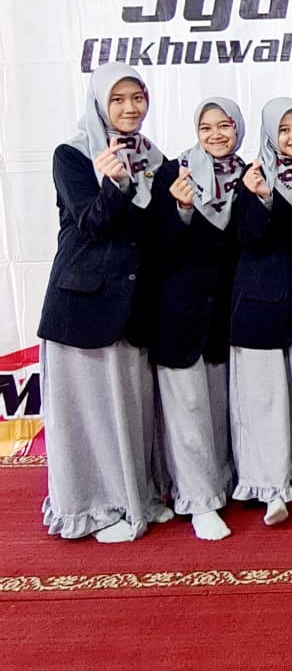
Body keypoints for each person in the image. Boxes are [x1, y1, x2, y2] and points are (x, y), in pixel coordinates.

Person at [38, 62, 172, 541]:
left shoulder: (155, 159)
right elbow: (92, 225)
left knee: (129, 412)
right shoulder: (72, 156)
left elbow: (154, 237)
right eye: (117, 99)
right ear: (99, 103)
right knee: (88, 417)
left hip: (133, 307)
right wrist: (113, 186)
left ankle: (134, 499)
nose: (130, 108)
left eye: (137, 97)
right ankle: (91, 510)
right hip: (82, 305)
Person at [152, 97, 246, 541]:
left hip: (225, 313)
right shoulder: (174, 172)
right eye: (206, 127)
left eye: (224, 125)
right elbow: (156, 244)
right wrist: (181, 211)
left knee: (218, 409)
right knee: (187, 411)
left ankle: (219, 486)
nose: (215, 135)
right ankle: (198, 500)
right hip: (180, 311)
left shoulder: (250, 175)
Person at [228, 98, 292, 526]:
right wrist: (262, 200)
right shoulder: (253, 176)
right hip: (260, 309)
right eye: (284, 130)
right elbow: (246, 239)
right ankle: (269, 488)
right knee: (263, 403)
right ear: (269, 135)